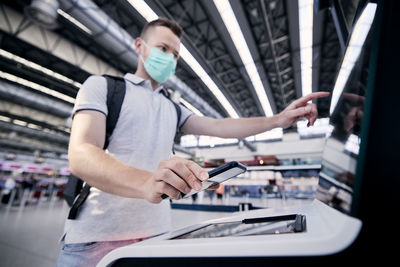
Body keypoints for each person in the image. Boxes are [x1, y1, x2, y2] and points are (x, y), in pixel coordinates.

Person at [57, 18, 329, 266]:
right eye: (163, 48)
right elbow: (81, 154)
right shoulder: (102, 87)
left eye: (175, 55)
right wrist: (146, 182)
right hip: (94, 239)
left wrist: (277, 120)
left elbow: (220, 126)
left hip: (156, 236)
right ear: (139, 46)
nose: (169, 59)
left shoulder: (173, 108)